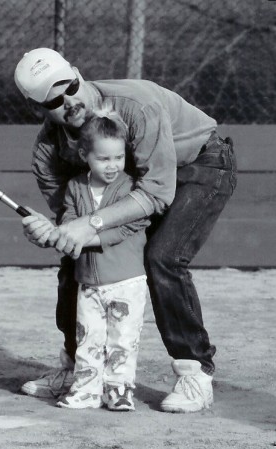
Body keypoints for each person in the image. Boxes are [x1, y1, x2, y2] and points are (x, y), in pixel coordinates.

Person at [14, 48, 237, 413]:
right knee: (79, 258)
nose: (69, 100)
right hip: (138, 186)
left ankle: (195, 371)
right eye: (54, 99)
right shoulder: (48, 152)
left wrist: (91, 224)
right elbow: (74, 222)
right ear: (38, 107)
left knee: (163, 257)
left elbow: (157, 192)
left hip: (199, 164)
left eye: (69, 86)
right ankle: (77, 368)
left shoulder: (137, 105)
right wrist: (54, 233)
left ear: (77, 71)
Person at [54, 110, 150, 411]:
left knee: (123, 340)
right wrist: (57, 233)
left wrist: (89, 237)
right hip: (89, 282)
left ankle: (118, 390)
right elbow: (70, 225)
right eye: (103, 159)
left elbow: (131, 225)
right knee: (88, 338)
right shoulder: (75, 188)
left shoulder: (131, 188)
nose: (112, 166)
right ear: (85, 155)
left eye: (118, 158)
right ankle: (86, 389)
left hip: (126, 281)